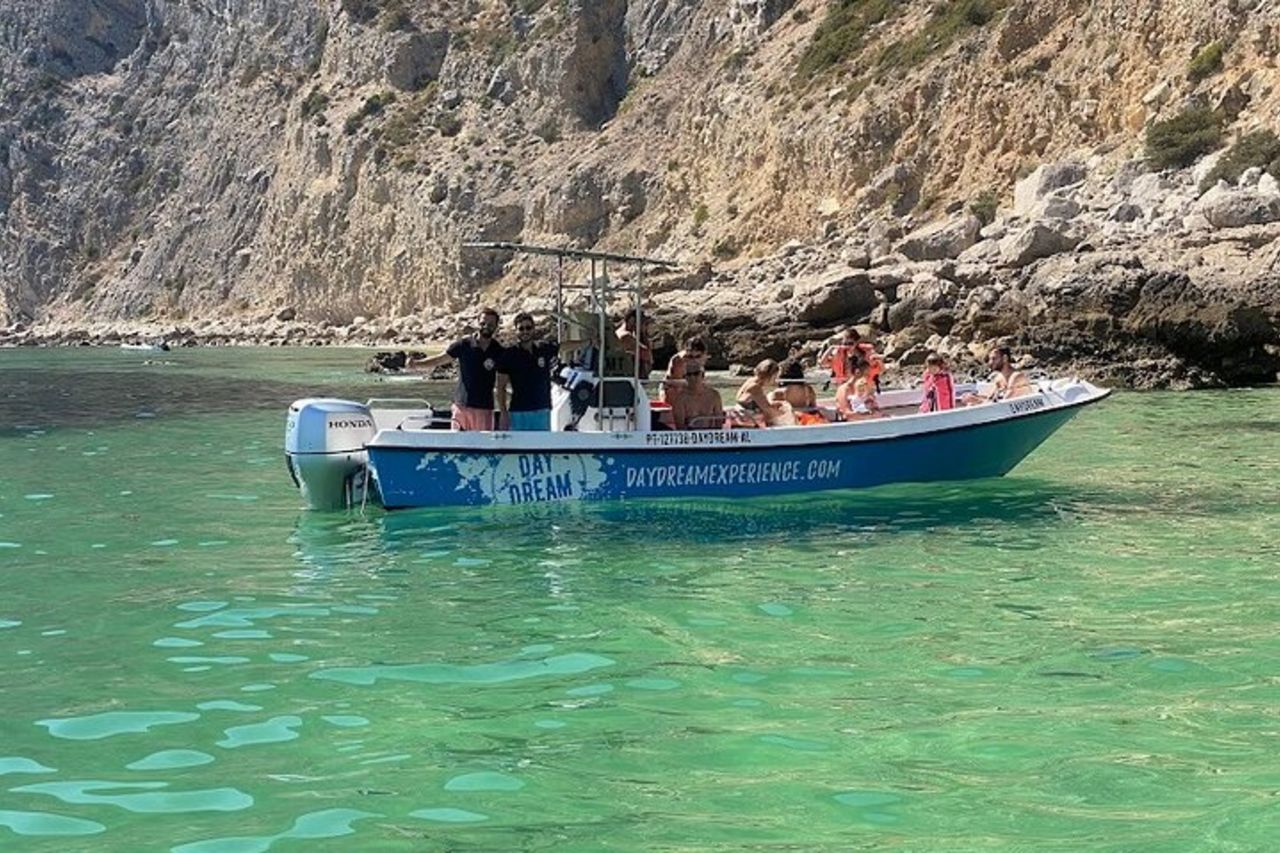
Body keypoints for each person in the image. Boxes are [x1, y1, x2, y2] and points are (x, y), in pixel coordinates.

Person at [409, 307, 504, 431]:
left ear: (496, 326)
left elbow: (506, 377)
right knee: (459, 446)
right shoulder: (464, 345)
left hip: (485, 408)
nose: (486, 326)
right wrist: (417, 364)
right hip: (462, 406)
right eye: (483, 323)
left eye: (491, 324)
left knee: (481, 447)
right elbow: (440, 359)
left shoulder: (499, 350)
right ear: (477, 323)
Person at [496, 312, 559, 431]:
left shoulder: (543, 348)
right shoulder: (509, 355)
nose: (525, 331)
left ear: (533, 329)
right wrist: (503, 413)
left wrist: (588, 341)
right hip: (519, 412)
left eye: (528, 327)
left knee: (541, 448)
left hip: (542, 409)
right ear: (516, 331)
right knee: (518, 448)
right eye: (521, 328)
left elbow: (563, 347)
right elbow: (500, 387)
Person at [962, 345, 1032, 406]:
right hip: (1005, 413)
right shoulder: (999, 378)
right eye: (990, 359)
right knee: (970, 403)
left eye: (994, 359)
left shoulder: (1016, 377)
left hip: (1019, 415)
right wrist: (973, 397)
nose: (990, 362)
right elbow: (990, 399)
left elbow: (1005, 402)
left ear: (1005, 358)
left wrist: (977, 400)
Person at [819, 327, 883, 391]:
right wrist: (831, 348)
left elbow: (881, 369)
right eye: (845, 344)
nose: (847, 346)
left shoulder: (866, 354)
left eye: (850, 343)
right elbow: (823, 363)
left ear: (856, 342)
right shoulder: (840, 355)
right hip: (845, 387)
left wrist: (877, 359)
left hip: (863, 388)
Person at [733, 359, 793, 427]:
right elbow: (768, 410)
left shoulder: (751, 381)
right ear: (770, 376)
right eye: (775, 377)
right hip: (746, 421)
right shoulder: (755, 388)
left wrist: (778, 405)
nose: (775, 380)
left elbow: (762, 404)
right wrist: (785, 413)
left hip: (743, 417)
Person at [671, 361, 725, 430]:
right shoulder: (680, 399)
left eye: (696, 373)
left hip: (711, 435)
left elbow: (719, 423)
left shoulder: (714, 395)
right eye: (689, 374)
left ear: (703, 375)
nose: (692, 377)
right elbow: (680, 428)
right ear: (685, 377)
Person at [660, 336, 708, 404]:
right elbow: (675, 383)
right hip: (672, 389)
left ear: (704, 354)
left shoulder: (702, 359)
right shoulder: (679, 361)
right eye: (690, 357)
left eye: (697, 356)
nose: (694, 360)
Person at [615, 312, 654, 378]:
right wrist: (642, 333)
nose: (644, 325)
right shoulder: (626, 336)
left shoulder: (620, 332)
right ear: (632, 320)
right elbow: (648, 355)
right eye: (643, 323)